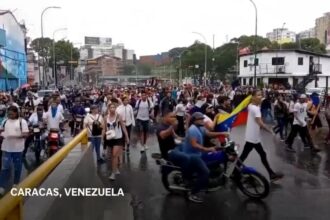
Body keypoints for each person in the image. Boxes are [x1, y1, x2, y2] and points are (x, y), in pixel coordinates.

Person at [182, 112, 228, 203]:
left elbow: (209, 134)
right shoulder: (192, 130)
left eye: (203, 118)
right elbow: (194, 145)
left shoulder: (201, 127)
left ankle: (211, 178)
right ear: (195, 121)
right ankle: (192, 193)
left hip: (198, 153)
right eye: (200, 119)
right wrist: (208, 149)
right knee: (205, 173)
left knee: (217, 157)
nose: (203, 120)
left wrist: (222, 133)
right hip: (192, 156)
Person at [239, 90, 284, 182]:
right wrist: (270, 130)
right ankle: (271, 174)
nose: (261, 97)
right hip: (253, 137)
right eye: (258, 95)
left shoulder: (251, 106)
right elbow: (260, 122)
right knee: (249, 155)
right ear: (253, 97)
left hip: (252, 136)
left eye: (261, 95)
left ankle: (271, 174)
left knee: (250, 154)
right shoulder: (255, 109)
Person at [0, 106, 29, 195]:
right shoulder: (5, 121)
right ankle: (2, 186)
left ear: (16, 113)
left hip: (18, 149)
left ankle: (16, 183)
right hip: (6, 148)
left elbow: (26, 134)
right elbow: (1, 130)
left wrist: (13, 136)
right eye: (8, 114)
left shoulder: (22, 122)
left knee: (17, 167)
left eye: (11, 114)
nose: (9, 115)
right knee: (5, 167)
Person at [104, 103, 129, 180]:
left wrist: (127, 137)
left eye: (114, 107)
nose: (112, 109)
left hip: (118, 138)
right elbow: (105, 129)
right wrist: (103, 138)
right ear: (108, 108)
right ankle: (116, 167)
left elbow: (123, 127)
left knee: (114, 155)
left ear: (115, 108)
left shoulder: (118, 116)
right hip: (110, 138)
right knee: (110, 156)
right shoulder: (105, 118)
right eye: (111, 107)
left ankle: (113, 173)